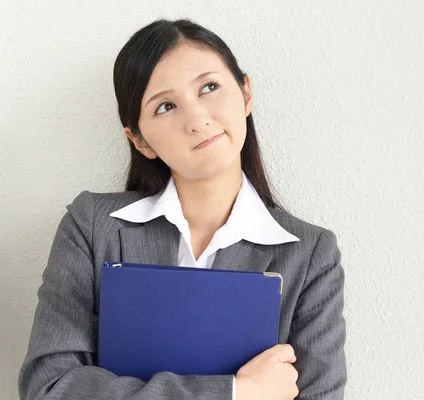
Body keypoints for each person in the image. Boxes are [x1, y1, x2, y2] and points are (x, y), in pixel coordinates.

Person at [17, 18, 346, 400]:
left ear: (246, 92)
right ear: (139, 140)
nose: (197, 119)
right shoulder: (91, 227)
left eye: (209, 87)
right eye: (166, 106)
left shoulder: (309, 254)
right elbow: (50, 388)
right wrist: (234, 392)